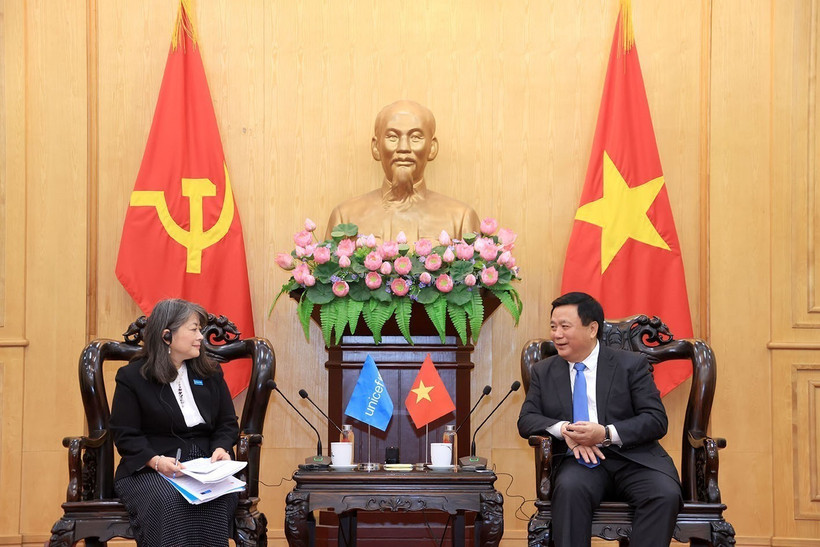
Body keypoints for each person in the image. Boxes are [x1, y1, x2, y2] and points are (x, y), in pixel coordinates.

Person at [517, 292, 682, 547]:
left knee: (664, 494)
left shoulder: (631, 365)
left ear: (592, 328)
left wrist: (605, 434)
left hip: (634, 459)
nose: (557, 334)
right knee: (569, 490)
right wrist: (565, 430)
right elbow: (526, 420)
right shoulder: (544, 371)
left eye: (565, 327)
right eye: (553, 327)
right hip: (580, 462)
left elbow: (656, 420)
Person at [110, 298, 240, 546]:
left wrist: (221, 448)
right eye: (194, 329)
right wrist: (156, 461)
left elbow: (227, 423)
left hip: (205, 466)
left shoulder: (210, 372)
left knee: (215, 498)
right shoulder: (132, 377)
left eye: (200, 330)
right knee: (170, 500)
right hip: (151, 467)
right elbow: (125, 433)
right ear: (167, 336)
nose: (201, 337)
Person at [325, 100, 480, 242]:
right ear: (376, 147)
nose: (403, 148)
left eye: (415, 137)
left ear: (432, 148)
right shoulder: (345, 216)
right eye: (392, 137)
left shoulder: (461, 218)